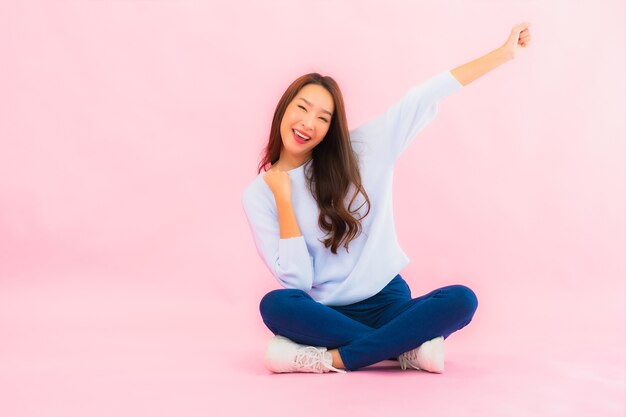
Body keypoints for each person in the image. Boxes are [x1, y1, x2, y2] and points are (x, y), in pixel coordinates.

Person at [242, 23, 532, 374]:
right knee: (276, 305)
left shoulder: (361, 150)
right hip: (325, 314)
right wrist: (284, 201)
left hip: (388, 301)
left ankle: (332, 358)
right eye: (302, 108)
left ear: (332, 127)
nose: (308, 123)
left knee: (462, 300)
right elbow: (299, 283)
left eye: (323, 117)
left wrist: (503, 54)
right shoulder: (259, 195)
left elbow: (422, 97)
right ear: (283, 109)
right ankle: (403, 349)